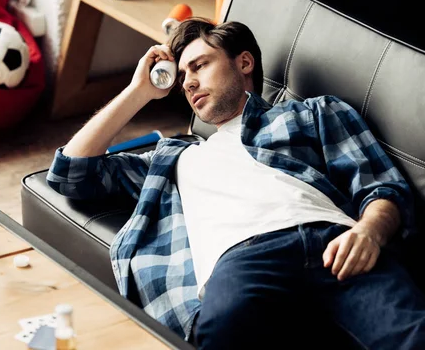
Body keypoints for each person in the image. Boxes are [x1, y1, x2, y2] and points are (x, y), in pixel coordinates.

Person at [47, 18, 425, 349]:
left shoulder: (313, 113)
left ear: (244, 62)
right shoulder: (172, 159)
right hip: (243, 260)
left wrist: (370, 232)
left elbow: (382, 187)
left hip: (336, 242)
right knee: (225, 327)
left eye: (199, 65)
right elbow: (71, 172)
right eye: (181, 78)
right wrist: (139, 91)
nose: (189, 83)